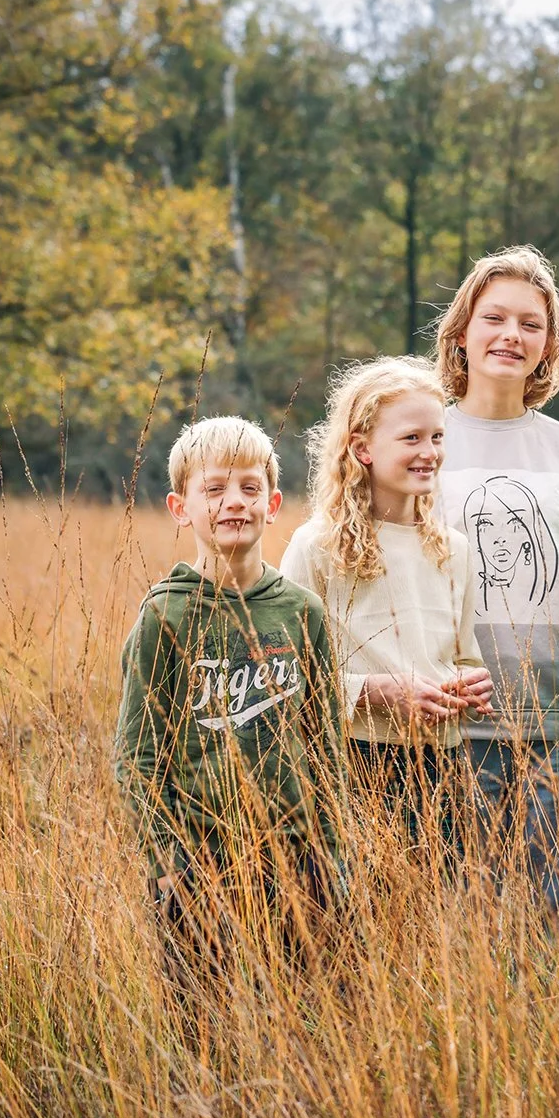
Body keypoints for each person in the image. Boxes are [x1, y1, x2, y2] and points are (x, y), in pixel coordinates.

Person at [114, 416, 346, 991]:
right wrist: (168, 862)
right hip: (199, 864)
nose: (233, 503)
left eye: (248, 487)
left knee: (313, 1019)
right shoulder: (164, 616)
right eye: (213, 489)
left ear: (273, 504)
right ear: (180, 507)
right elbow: (135, 757)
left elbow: (326, 744)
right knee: (205, 1027)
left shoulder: (302, 611)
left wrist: (334, 857)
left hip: (300, 860)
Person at [433, 245, 559, 909]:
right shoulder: (426, 439)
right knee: (455, 922)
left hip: (556, 728)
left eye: (530, 324)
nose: (511, 335)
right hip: (451, 730)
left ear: (548, 345)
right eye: (494, 318)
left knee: (546, 918)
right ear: (462, 333)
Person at [280, 357, 493, 855]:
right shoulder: (316, 547)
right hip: (353, 762)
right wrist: (374, 692)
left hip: (443, 766)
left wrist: (472, 683)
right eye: (411, 438)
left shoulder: (454, 550)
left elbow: (464, 657)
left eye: (437, 437)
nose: (429, 452)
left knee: (433, 923)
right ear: (362, 448)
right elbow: (282, 675)